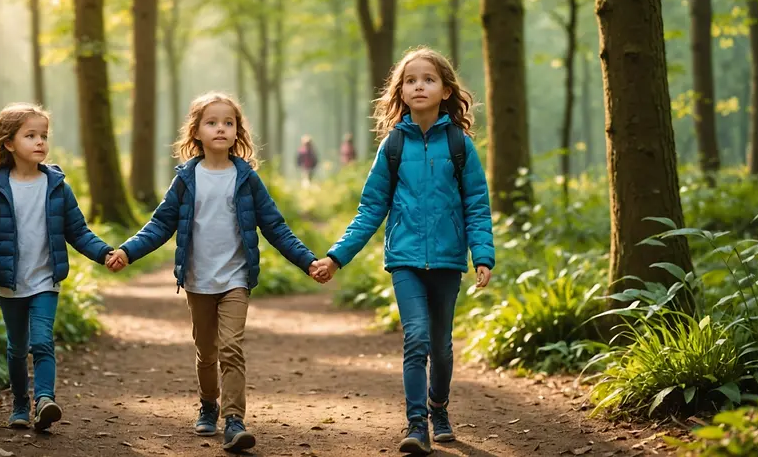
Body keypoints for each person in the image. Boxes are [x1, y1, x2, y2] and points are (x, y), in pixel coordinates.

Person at [106, 92, 326, 452]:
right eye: (212, 123)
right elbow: (160, 225)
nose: (220, 128)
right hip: (198, 280)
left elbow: (275, 227)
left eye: (228, 122)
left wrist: (308, 261)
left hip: (236, 278)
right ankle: (208, 404)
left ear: (238, 131)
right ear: (196, 132)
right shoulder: (187, 179)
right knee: (206, 353)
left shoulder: (247, 179)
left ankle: (234, 420)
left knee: (231, 348)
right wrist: (127, 251)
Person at [312, 47, 495, 455]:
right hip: (405, 260)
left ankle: (438, 407)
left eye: (428, 79)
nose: (419, 86)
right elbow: (370, 209)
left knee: (441, 347)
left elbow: (476, 204)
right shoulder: (392, 146)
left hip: (447, 260)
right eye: (410, 80)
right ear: (400, 92)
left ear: (446, 90)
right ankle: (416, 425)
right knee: (416, 338)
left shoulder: (459, 144)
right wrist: (336, 257)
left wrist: (482, 255)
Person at [0, 103, 118, 432]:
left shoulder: (57, 186)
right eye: (30, 135)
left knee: (42, 342)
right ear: (9, 143)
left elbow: (78, 232)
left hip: (46, 280)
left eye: (43, 136)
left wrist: (105, 253)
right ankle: (20, 403)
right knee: (17, 348)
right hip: (9, 283)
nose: (40, 142)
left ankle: (45, 400)